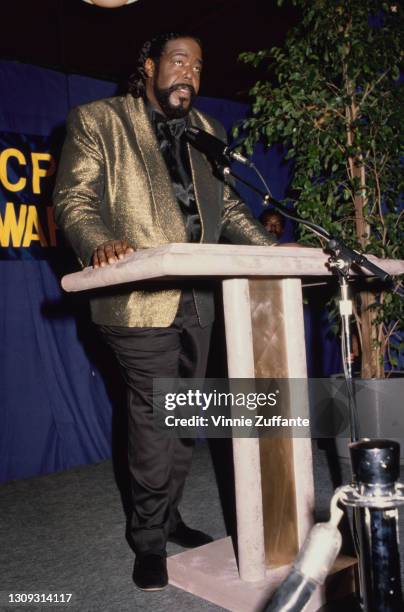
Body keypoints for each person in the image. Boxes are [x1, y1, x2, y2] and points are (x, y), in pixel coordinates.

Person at [53, 32, 277, 591]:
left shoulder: (208, 133)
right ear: (149, 65)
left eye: (199, 67)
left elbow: (225, 206)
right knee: (154, 417)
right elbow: (73, 199)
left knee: (186, 418)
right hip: (135, 298)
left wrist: (272, 253)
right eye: (179, 62)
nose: (190, 75)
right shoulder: (100, 120)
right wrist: (99, 241)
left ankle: (169, 514)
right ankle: (148, 541)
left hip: (200, 300)